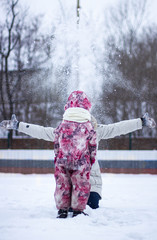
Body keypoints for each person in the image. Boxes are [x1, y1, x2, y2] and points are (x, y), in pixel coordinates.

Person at [0, 91, 97, 218]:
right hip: (82, 163)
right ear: (86, 106)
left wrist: (58, 156)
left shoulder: (62, 125)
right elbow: (92, 146)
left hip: (63, 160)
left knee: (62, 184)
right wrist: (90, 160)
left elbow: (56, 142)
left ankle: (62, 210)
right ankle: (77, 211)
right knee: (80, 184)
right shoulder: (89, 127)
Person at [86, 113, 156, 209]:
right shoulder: (64, 132)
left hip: (89, 185)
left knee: (88, 209)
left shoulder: (94, 131)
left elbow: (117, 128)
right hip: (73, 187)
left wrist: (139, 122)